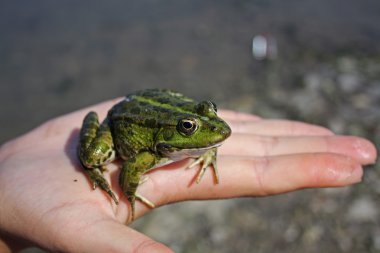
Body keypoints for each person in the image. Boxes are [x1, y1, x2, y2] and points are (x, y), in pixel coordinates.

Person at [0, 98, 377, 253]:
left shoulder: (203, 134)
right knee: (95, 156)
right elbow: (130, 170)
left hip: (144, 103)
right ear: (173, 131)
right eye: (188, 127)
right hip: (122, 122)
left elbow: (213, 129)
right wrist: (130, 192)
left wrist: (206, 148)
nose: (215, 129)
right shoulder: (150, 150)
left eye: (203, 116)